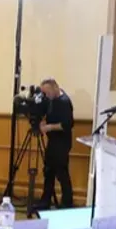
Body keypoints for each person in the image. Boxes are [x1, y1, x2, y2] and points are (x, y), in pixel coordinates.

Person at [38, 78, 74, 209]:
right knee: (48, 171)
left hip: (62, 143)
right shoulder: (50, 99)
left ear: (54, 88)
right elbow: (44, 113)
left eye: (47, 92)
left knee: (61, 173)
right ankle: (45, 200)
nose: (46, 96)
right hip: (52, 141)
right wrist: (42, 121)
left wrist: (49, 127)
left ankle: (67, 202)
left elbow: (67, 124)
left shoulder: (64, 102)